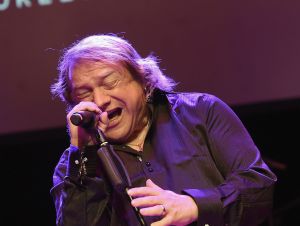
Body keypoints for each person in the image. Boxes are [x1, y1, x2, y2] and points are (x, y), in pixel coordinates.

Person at [50, 34, 277, 226]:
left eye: (110, 83)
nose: (99, 100)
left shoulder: (200, 112)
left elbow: (260, 187)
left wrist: (196, 205)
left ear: (144, 82)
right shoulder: (74, 164)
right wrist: (84, 155)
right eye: (84, 94)